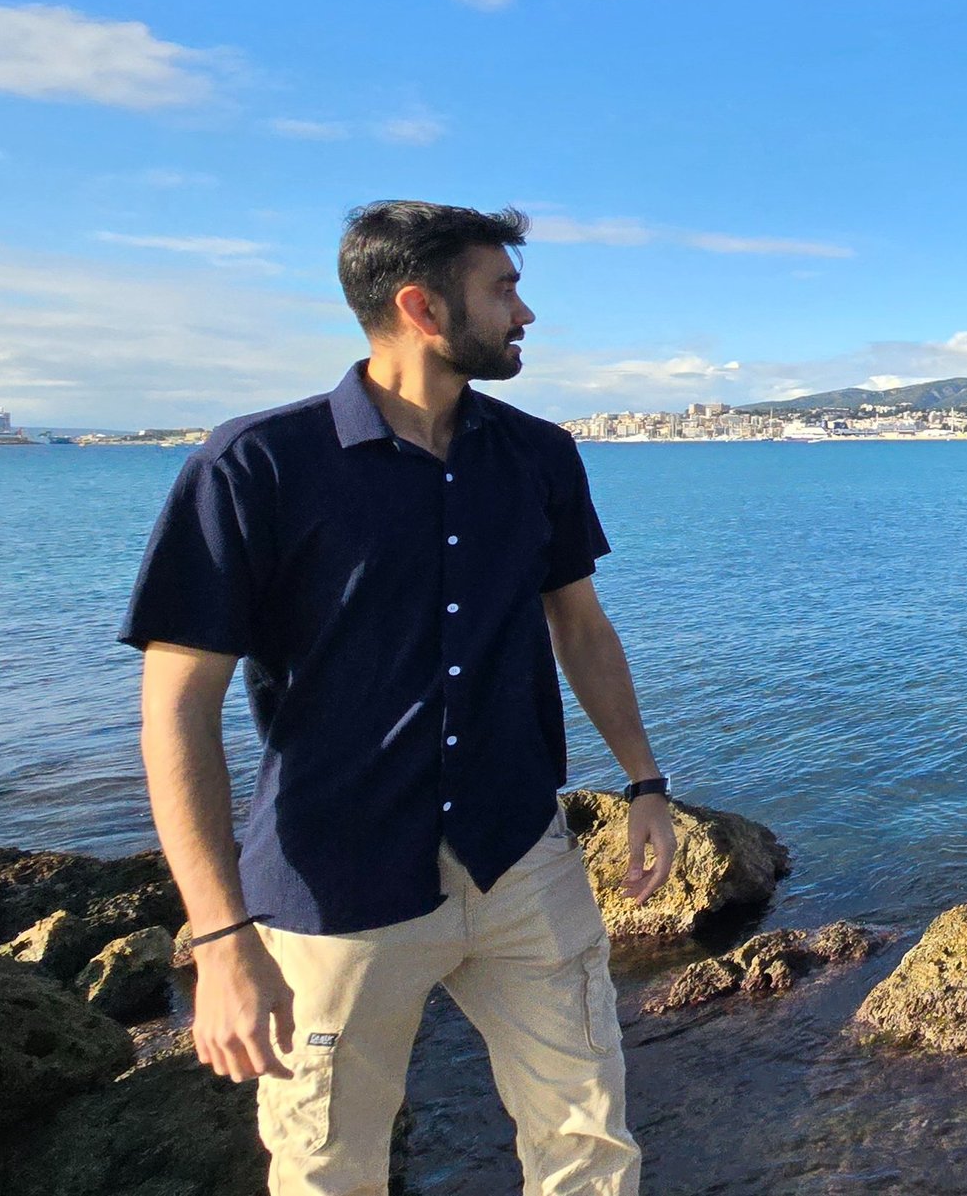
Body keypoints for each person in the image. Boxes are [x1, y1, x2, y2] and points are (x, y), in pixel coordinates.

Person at [126, 201, 670, 1194]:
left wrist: (645, 782)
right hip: (336, 884)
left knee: (590, 1144)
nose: (525, 313)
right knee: (329, 1165)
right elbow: (176, 707)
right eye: (503, 289)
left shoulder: (538, 454)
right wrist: (221, 938)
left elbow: (582, 629)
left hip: (519, 858)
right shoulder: (255, 465)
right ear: (421, 306)